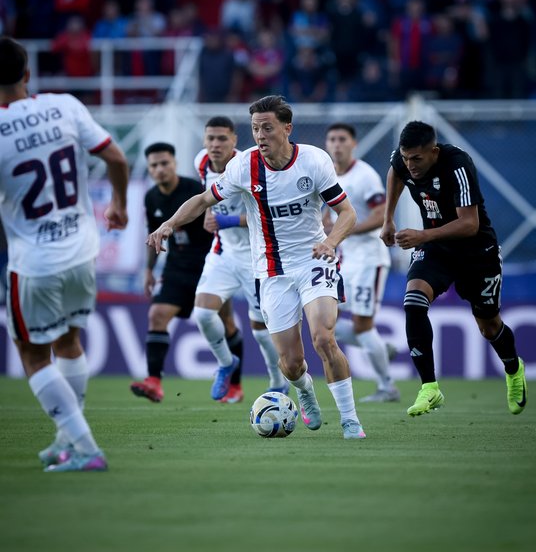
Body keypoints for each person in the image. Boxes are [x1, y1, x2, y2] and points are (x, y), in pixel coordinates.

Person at [147, 95, 366, 440]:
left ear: (287, 128)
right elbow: (203, 200)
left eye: (267, 128)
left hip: (314, 261)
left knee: (324, 338)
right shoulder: (243, 166)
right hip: (271, 271)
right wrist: (169, 224)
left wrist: (331, 242)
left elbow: (347, 213)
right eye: (255, 129)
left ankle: (350, 420)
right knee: (291, 364)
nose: (260, 136)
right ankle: (305, 391)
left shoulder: (313, 160)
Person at [0, 36, 129, 472]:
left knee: (33, 355)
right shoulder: (64, 106)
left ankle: (87, 449)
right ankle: (66, 441)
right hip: (81, 249)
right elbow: (116, 157)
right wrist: (119, 205)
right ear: (28, 73)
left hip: (33, 261)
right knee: (69, 342)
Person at [380, 120, 527, 416]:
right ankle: (429, 387)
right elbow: (395, 172)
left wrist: (422, 235)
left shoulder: (457, 165)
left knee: (489, 326)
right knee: (413, 301)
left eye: (416, 159)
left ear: (433, 152)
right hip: (437, 249)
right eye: (406, 158)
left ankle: (513, 368)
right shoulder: (402, 160)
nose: (410, 165)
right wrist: (388, 219)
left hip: (476, 252)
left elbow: (470, 224)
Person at [130, 143, 242, 403]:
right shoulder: (151, 197)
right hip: (176, 268)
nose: (160, 169)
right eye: (154, 165)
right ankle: (154, 382)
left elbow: (213, 215)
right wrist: (148, 270)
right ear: (149, 169)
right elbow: (153, 233)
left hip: (208, 265)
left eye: (164, 163)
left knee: (226, 322)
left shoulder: (194, 189)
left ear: (175, 163)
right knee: (157, 315)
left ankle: (235, 386)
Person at [193, 116, 289, 402]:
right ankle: (226, 363)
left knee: (260, 329)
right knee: (203, 313)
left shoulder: (248, 165)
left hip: (256, 257)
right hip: (223, 252)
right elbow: (208, 197)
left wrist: (229, 220)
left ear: (234, 140)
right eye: (210, 138)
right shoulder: (201, 162)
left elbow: (267, 214)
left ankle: (277, 381)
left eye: (222, 138)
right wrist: (209, 216)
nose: (215, 144)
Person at [325, 123, 399, 402]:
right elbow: (326, 214)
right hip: (344, 260)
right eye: (332, 139)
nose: (337, 144)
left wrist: (344, 230)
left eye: (342, 139)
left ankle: (387, 387)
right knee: (325, 321)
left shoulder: (365, 175)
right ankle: (378, 347)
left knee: (363, 325)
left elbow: (381, 215)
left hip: (369, 260)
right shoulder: (327, 175)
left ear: (353, 143)